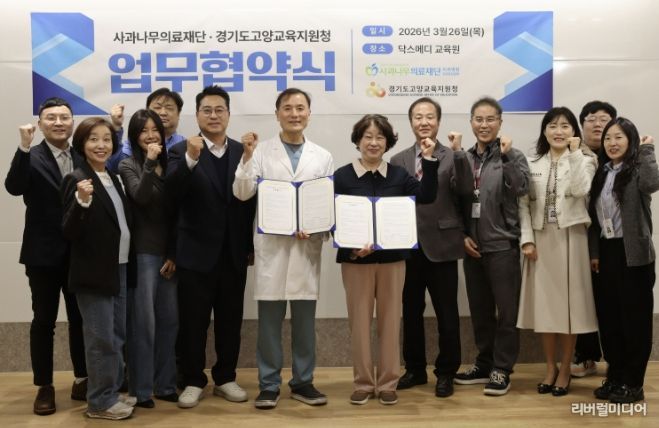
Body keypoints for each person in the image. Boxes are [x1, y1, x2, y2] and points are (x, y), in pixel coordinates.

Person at [233, 88, 333, 410]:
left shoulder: (322, 156)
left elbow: (325, 205)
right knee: (269, 324)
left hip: (305, 249)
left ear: (309, 114)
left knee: (304, 324)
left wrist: (316, 227)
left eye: (300, 108)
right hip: (272, 249)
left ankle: (303, 381)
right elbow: (242, 192)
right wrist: (247, 157)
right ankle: (269, 384)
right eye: (287, 108)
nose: (294, 114)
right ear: (277, 114)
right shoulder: (260, 152)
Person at [334, 114, 438, 406]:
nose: (373, 142)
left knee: (391, 322)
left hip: (393, 262)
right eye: (367, 136)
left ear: (388, 142)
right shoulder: (342, 176)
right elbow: (332, 219)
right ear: (358, 141)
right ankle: (363, 383)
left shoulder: (399, 175)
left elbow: (427, 195)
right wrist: (353, 248)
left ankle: (388, 382)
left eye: (380, 137)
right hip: (356, 262)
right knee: (359, 324)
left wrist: (429, 159)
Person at [165, 85, 256, 409]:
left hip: (233, 253)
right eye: (207, 110)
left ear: (228, 114)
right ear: (197, 115)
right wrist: (191, 158)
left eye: (219, 110)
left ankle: (226, 377)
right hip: (194, 253)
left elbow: (249, 203)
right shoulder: (181, 150)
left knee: (231, 320)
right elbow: (171, 196)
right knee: (193, 322)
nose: (214, 115)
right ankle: (192, 379)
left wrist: (248, 246)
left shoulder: (243, 150)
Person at [4, 97, 87, 415]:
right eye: (51, 118)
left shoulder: (82, 154)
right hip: (42, 254)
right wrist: (23, 147)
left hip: (79, 253)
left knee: (80, 319)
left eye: (64, 117)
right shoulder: (31, 155)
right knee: (44, 321)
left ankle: (83, 379)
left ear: (72, 123)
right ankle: (45, 386)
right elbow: (14, 187)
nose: (58, 122)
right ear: (40, 124)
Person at [390, 98, 472, 397]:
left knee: (447, 313)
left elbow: (466, 190)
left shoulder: (453, 155)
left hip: (442, 244)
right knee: (410, 312)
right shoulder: (398, 159)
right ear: (410, 121)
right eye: (418, 117)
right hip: (407, 247)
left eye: (429, 117)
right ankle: (414, 369)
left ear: (438, 121)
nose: (423, 122)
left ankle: (446, 372)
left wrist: (460, 153)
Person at [517, 107, 598, 397]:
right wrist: (527, 240)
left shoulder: (586, 159)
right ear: (544, 131)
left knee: (569, 309)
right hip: (540, 240)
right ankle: (550, 367)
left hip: (571, 238)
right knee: (546, 309)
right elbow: (523, 204)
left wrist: (575, 154)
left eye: (565, 126)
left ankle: (565, 369)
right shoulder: (532, 162)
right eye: (552, 125)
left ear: (574, 131)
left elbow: (580, 190)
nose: (559, 131)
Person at [61, 117, 135, 420]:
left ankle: (111, 393)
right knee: (100, 339)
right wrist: (81, 201)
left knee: (116, 336)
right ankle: (99, 402)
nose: (101, 145)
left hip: (119, 267)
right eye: (93, 139)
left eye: (106, 139)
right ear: (82, 144)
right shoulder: (77, 178)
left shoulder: (113, 177)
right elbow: (69, 231)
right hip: (93, 272)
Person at [455, 96, 530, 396]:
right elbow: (456, 200)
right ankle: (484, 363)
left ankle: (502, 369)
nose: (484, 125)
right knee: (480, 311)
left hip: (502, 246)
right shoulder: (464, 158)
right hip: (472, 247)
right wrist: (462, 235)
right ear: (471, 122)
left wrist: (507, 157)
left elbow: (522, 188)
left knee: (507, 312)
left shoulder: (513, 155)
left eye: (490, 119)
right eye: (479, 119)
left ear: (500, 122)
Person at [588, 118, 658, 404]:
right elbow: (593, 218)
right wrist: (594, 253)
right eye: (608, 138)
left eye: (618, 137)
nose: (612, 143)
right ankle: (615, 376)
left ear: (630, 140)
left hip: (634, 255)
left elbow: (653, 184)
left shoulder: (638, 169)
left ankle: (633, 382)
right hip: (607, 252)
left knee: (635, 321)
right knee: (610, 319)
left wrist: (648, 150)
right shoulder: (601, 172)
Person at [118, 109, 178, 408]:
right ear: (134, 135)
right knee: (144, 324)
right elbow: (140, 197)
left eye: (155, 129)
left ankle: (165, 385)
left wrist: (174, 253)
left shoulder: (172, 163)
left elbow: (179, 212)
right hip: (143, 252)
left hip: (170, 255)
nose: (151, 135)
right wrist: (150, 162)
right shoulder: (128, 164)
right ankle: (141, 390)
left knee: (170, 322)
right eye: (144, 130)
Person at [571, 100, 617, 378]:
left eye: (604, 119)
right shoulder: (573, 153)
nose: (598, 124)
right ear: (581, 124)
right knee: (581, 300)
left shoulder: (620, 156)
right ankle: (586, 355)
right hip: (579, 236)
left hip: (612, 241)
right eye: (591, 119)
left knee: (611, 301)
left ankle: (615, 358)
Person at [107, 88, 186, 172]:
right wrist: (116, 127)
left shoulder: (184, 145)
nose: (163, 113)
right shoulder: (135, 142)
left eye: (169, 108)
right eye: (157, 107)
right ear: (147, 112)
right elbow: (114, 166)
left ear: (178, 113)